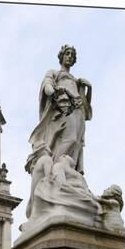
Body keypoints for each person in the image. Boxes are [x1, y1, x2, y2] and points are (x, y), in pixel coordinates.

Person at [29, 45, 92, 174]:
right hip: (64, 107)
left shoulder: (76, 80)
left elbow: (86, 107)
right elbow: (47, 85)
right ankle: (54, 170)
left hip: (78, 111)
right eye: (67, 53)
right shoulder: (54, 73)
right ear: (61, 56)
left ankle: (68, 171)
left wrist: (89, 88)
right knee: (71, 139)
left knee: (77, 143)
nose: (69, 57)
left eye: (72, 55)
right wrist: (53, 93)